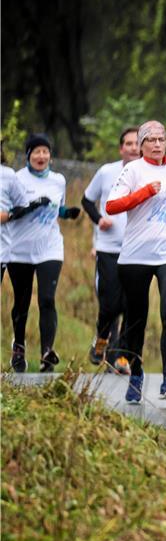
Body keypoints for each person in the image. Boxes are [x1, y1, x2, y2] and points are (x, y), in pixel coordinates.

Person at [106, 120, 166, 402]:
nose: (157, 144)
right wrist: (144, 192)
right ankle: (137, 372)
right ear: (141, 144)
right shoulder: (133, 170)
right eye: (151, 140)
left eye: (162, 139)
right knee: (136, 318)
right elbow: (112, 205)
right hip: (136, 254)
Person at [5, 134, 80, 372]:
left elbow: (57, 208)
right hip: (19, 249)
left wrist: (68, 214)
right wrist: (32, 205)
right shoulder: (16, 179)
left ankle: (47, 352)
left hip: (50, 247)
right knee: (22, 302)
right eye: (36, 152)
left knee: (47, 299)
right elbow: (10, 212)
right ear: (28, 155)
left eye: (45, 152)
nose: (41, 156)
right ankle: (18, 346)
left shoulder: (58, 180)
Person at [81, 127, 139, 374]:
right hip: (108, 248)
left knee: (131, 305)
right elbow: (86, 200)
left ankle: (122, 356)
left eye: (137, 143)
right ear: (121, 148)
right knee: (109, 304)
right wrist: (98, 219)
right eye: (128, 143)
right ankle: (102, 339)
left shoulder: (148, 174)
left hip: (137, 249)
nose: (133, 148)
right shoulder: (106, 172)